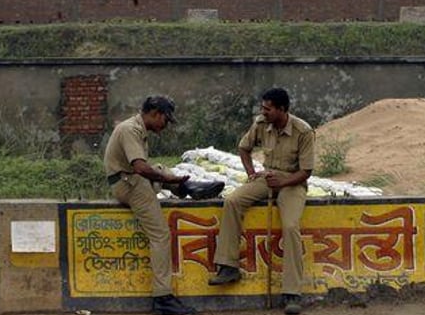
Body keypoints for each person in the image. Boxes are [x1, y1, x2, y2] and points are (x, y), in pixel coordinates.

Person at [104, 95, 224, 315]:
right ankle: (163, 297)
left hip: (127, 179)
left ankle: (188, 188)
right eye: (165, 120)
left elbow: (144, 168)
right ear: (155, 114)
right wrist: (168, 180)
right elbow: (139, 168)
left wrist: (166, 177)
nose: (165, 125)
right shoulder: (130, 130)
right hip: (128, 183)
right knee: (160, 235)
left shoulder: (136, 128)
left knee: (159, 168)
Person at [208, 88, 314, 315]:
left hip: (292, 182)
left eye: (268, 109)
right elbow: (243, 148)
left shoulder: (303, 130)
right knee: (233, 201)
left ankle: (291, 293)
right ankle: (228, 265)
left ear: (282, 110)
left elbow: (306, 171)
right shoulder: (260, 123)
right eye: (263, 108)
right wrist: (251, 173)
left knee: (290, 226)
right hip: (266, 178)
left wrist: (283, 183)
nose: (263, 112)